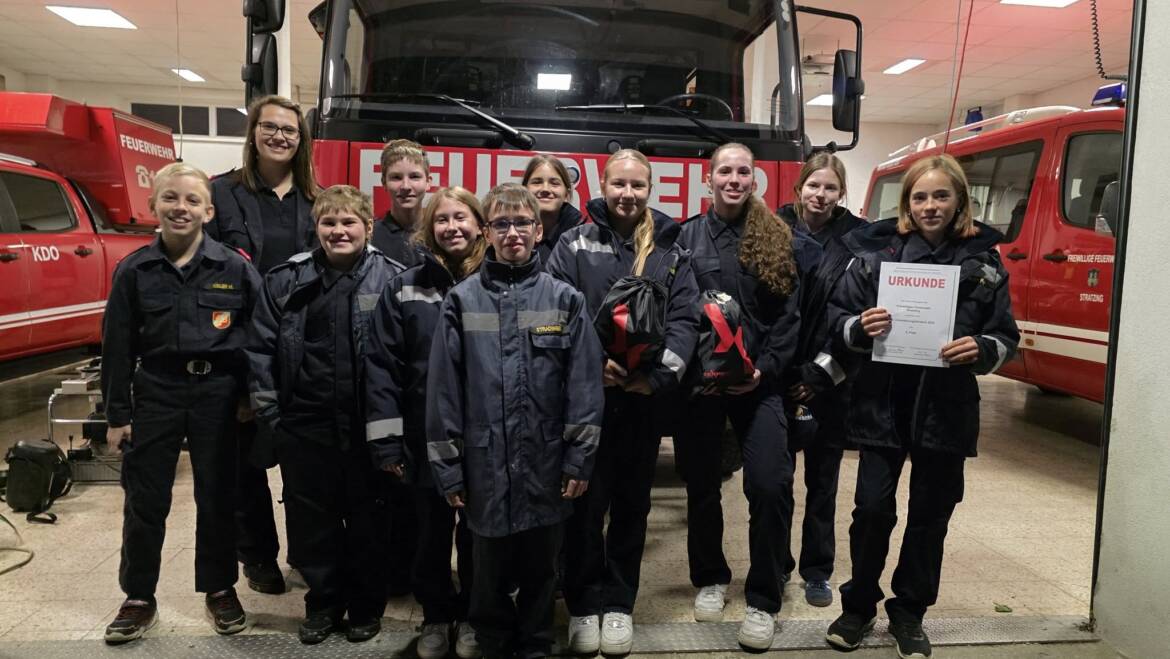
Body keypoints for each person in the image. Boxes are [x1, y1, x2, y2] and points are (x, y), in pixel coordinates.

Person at [824, 154, 1019, 659]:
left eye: (940, 196)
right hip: (882, 404)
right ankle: (859, 606)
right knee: (870, 509)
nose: (930, 206)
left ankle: (909, 613)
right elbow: (838, 317)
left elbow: (1004, 334)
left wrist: (982, 348)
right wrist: (858, 329)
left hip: (946, 408)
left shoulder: (984, 263)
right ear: (907, 203)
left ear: (959, 201)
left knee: (931, 515)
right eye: (920, 197)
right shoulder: (874, 256)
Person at [427, 183, 603, 659]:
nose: (513, 233)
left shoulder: (566, 301)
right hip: (485, 466)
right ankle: (491, 638)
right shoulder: (461, 301)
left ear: (538, 229)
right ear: (487, 233)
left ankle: (536, 642)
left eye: (522, 223)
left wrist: (578, 460)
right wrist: (448, 468)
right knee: (486, 567)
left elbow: (585, 387)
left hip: (545, 463)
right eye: (501, 224)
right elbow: (443, 394)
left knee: (542, 567)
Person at [546, 149, 699, 656]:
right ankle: (584, 605)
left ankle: (619, 605)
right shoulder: (571, 244)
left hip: (641, 403)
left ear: (650, 189)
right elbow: (558, 312)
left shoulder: (670, 250)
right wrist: (594, 370)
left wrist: (655, 379)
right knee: (584, 507)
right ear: (603, 185)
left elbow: (686, 320)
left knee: (633, 507)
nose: (627, 194)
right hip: (586, 404)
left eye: (638, 185)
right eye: (619, 184)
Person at [101, 162, 261, 643]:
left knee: (218, 496)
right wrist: (117, 416)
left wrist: (252, 396)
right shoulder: (134, 270)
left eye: (192, 200)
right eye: (170, 198)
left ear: (209, 211)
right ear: (152, 207)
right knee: (146, 500)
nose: (181, 208)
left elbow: (258, 336)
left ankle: (219, 588)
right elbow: (117, 346)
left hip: (219, 395)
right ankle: (138, 596)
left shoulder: (234, 267)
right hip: (158, 392)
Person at [245, 185, 404, 644]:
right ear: (316, 228)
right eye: (329, 223)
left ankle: (365, 607)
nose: (338, 231)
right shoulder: (284, 280)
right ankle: (322, 604)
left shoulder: (392, 279)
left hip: (367, 427)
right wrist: (272, 417)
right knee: (311, 521)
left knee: (369, 521)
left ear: (367, 228)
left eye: (348, 222)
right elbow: (260, 349)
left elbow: (404, 355)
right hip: (304, 425)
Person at [675, 142, 802, 651]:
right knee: (701, 485)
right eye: (724, 171)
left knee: (770, 486)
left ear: (755, 181)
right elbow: (677, 313)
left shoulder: (775, 238)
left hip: (760, 386)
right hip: (702, 386)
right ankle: (709, 577)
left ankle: (763, 599)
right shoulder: (684, 237)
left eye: (743, 171)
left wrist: (764, 370)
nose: (733, 178)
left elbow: (788, 317)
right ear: (708, 180)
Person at [366, 187, 487, 659]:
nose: (452, 227)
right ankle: (437, 615)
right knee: (429, 535)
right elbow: (381, 366)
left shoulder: (498, 284)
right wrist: (388, 442)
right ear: (428, 229)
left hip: (484, 438)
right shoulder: (404, 286)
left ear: (479, 224)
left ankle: (476, 617)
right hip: (422, 438)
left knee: (479, 535)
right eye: (442, 220)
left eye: (462, 217)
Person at [207, 94, 319, 596]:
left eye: (290, 130)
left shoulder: (318, 201)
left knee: (304, 460)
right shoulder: (222, 193)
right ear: (253, 133)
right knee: (244, 463)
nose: (280, 136)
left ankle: (308, 552)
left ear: (302, 140)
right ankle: (257, 556)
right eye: (270, 127)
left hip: (303, 350)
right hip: (236, 344)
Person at [776, 152, 867, 608]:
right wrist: (785, 372)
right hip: (779, 380)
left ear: (841, 193)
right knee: (776, 483)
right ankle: (776, 566)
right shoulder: (775, 229)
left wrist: (818, 376)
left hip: (833, 380)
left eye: (830, 188)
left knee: (823, 484)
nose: (821, 195)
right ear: (800, 189)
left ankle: (817, 570)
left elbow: (858, 321)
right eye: (814, 186)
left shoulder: (858, 240)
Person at [372, 138, 430, 269]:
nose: (405, 186)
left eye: (415, 176)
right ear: (384, 183)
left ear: (428, 182)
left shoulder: (441, 233)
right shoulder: (369, 237)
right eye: (396, 177)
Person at [522, 154, 583, 265]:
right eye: (537, 182)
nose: (545, 189)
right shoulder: (511, 236)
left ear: (567, 195)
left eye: (554, 183)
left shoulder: (582, 240)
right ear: (524, 190)